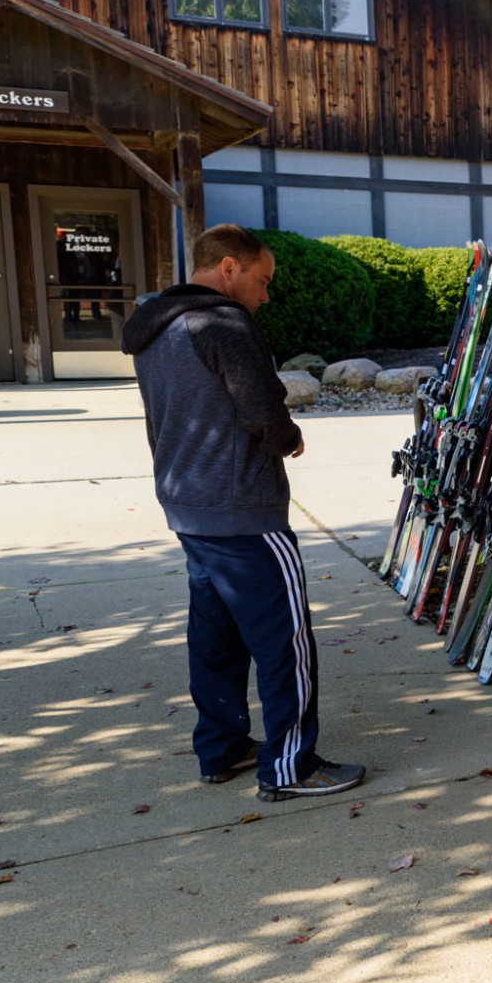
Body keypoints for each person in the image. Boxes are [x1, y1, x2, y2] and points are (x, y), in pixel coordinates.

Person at [120, 223, 365, 802]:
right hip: (244, 511)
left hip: (188, 505)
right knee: (286, 640)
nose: (266, 294)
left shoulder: (154, 327)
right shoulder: (225, 324)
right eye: (262, 279)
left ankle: (224, 746)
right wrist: (289, 438)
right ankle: (290, 767)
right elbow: (262, 405)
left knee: (216, 637)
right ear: (228, 267)